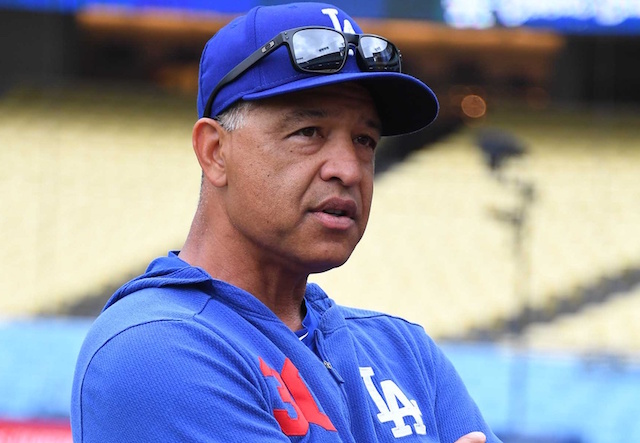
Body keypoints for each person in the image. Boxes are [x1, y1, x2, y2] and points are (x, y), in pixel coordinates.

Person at [71, 3, 501, 442]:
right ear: (215, 151)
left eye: (365, 140)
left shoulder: (405, 352)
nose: (349, 170)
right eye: (309, 132)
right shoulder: (155, 347)